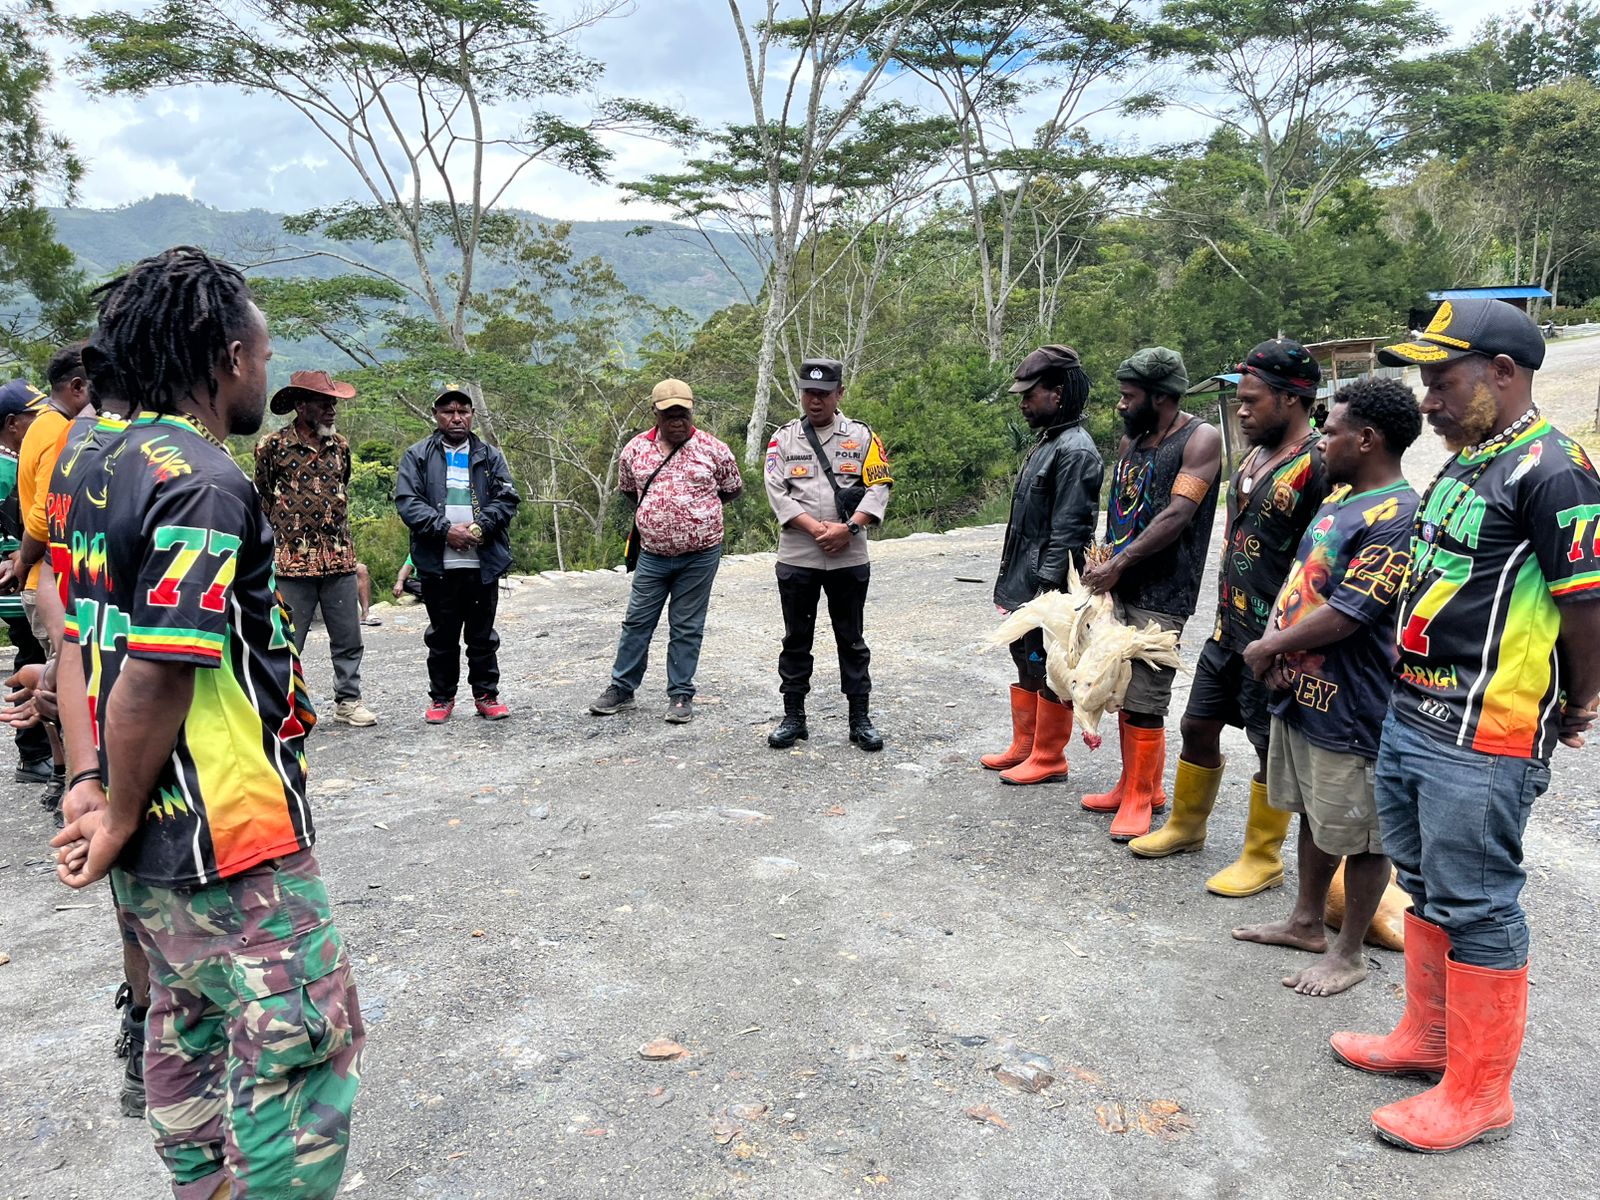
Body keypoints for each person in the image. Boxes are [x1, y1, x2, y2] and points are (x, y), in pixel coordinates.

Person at [49, 245, 363, 1197]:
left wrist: (91, 785)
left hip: (142, 832)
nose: (266, 373)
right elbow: (157, 668)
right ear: (230, 357)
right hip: (226, 834)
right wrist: (114, 805)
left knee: (182, 1018)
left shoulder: (89, 459)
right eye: (263, 357)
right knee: (303, 1040)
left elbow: (75, 640)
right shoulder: (203, 481)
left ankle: (203, 1187)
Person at [1330, 299, 1600, 1152]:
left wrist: (1581, 701)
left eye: (1443, 383)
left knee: (1479, 901)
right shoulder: (1465, 460)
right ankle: (1431, 1041)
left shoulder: (1554, 471)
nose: (1428, 401)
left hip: (1486, 733)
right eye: (1426, 383)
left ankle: (1481, 1093)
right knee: (1426, 877)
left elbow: (1586, 605)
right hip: (1414, 715)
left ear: (1504, 374)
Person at [1231, 377, 1421, 996]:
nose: (1322, 440)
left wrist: (1267, 647)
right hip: (1304, 693)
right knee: (1316, 812)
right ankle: (1306, 921)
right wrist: (1277, 649)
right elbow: (1302, 583)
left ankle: (1347, 953)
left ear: (1367, 439)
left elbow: (1352, 610)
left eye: (1333, 431)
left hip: (1354, 703)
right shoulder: (1340, 498)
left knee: (1362, 830)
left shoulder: (1399, 515)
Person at [1129, 339, 1329, 896]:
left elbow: (1324, 560)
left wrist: (1292, 641)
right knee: (1196, 724)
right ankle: (1188, 827)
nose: (1240, 410)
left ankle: (1262, 855)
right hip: (1227, 628)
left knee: (1270, 747)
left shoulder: (1319, 464)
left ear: (1292, 400)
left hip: (1277, 635)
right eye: (1239, 400)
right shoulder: (1256, 453)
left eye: (1251, 400)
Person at [1081, 347, 1221, 835]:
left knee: (1146, 692)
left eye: (1129, 396)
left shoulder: (1201, 439)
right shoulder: (1131, 441)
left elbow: (1178, 514)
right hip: (1119, 582)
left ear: (1161, 397)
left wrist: (1119, 563)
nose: (1121, 404)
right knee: (1121, 684)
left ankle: (1142, 798)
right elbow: (1120, 508)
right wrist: (1100, 561)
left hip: (1164, 589)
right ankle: (1134, 784)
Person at [589, 378, 743, 724]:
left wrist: (696, 515)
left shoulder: (714, 449)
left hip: (700, 555)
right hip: (653, 554)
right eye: (669, 413)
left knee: (686, 624)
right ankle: (622, 688)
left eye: (683, 412)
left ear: (692, 410)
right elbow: (630, 491)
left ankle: (680, 694)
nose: (677, 420)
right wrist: (659, 515)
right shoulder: (634, 451)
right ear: (655, 414)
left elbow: (731, 489)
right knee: (637, 621)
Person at [983, 344, 1103, 785]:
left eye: (1029, 393)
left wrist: (1045, 593)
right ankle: (1026, 745)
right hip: (1024, 576)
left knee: (1047, 664)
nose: (1023, 402)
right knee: (1024, 657)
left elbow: (1069, 531)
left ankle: (1049, 757)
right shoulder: (1050, 442)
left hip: (1045, 582)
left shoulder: (1076, 450)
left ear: (1057, 392)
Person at [763, 357, 892, 751]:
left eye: (822, 393)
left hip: (848, 556)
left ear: (839, 393)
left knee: (851, 638)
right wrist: (815, 528)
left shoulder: (863, 437)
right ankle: (794, 717)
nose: (814, 401)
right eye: (808, 393)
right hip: (798, 555)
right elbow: (775, 490)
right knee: (795, 639)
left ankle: (860, 718)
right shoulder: (782, 439)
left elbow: (879, 486)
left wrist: (850, 527)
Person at [253, 370, 378, 727]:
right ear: (300, 404)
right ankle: (282, 706)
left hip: (338, 558)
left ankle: (348, 701)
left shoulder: (340, 446)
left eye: (333, 402)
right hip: (292, 563)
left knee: (348, 636)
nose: (331, 409)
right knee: (287, 640)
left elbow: (344, 485)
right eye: (324, 403)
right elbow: (262, 497)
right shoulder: (272, 447)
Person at [395, 387, 522, 722]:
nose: (456, 418)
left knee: (482, 636)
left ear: (472, 416)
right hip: (438, 564)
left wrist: (478, 528)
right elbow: (408, 502)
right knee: (442, 635)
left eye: (463, 411)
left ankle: (486, 695)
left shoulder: (489, 456)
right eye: (449, 411)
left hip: (482, 562)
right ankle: (441, 698)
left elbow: (507, 498)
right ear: (436, 414)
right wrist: (445, 529)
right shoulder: (418, 455)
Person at [13, 346, 91, 810]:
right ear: (78, 388)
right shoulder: (62, 431)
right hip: (51, 578)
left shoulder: (40, 425)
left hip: (43, 576)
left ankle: (61, 776)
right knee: (63, 684)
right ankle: (73, 784)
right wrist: (25, 559)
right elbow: (45, 515)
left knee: (56, 679)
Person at [0, 380, 53, 786]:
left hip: (23, 576)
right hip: (19, 580)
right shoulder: (8, 466)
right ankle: (35, 754)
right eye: (35, 416)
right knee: (34, 662)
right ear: (14, 424)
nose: (43, 422)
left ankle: (37, 756)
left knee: (34, 658)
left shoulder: (18, 459)